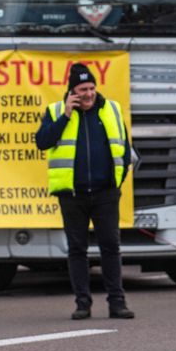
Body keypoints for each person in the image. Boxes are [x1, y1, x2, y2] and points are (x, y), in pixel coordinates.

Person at [34, 63, 134, 320]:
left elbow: (124, 149)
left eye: (91, 88)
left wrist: (116, 184)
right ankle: (82, 304)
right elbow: (42, 141)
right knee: (77, 250)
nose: (88, 93)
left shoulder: (111, 109)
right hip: (73, 195)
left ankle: (117, 303)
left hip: (105, 193)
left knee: (110, 248)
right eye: (82, 89)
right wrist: (66, 115)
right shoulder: (56, 112)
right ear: (72, 92)